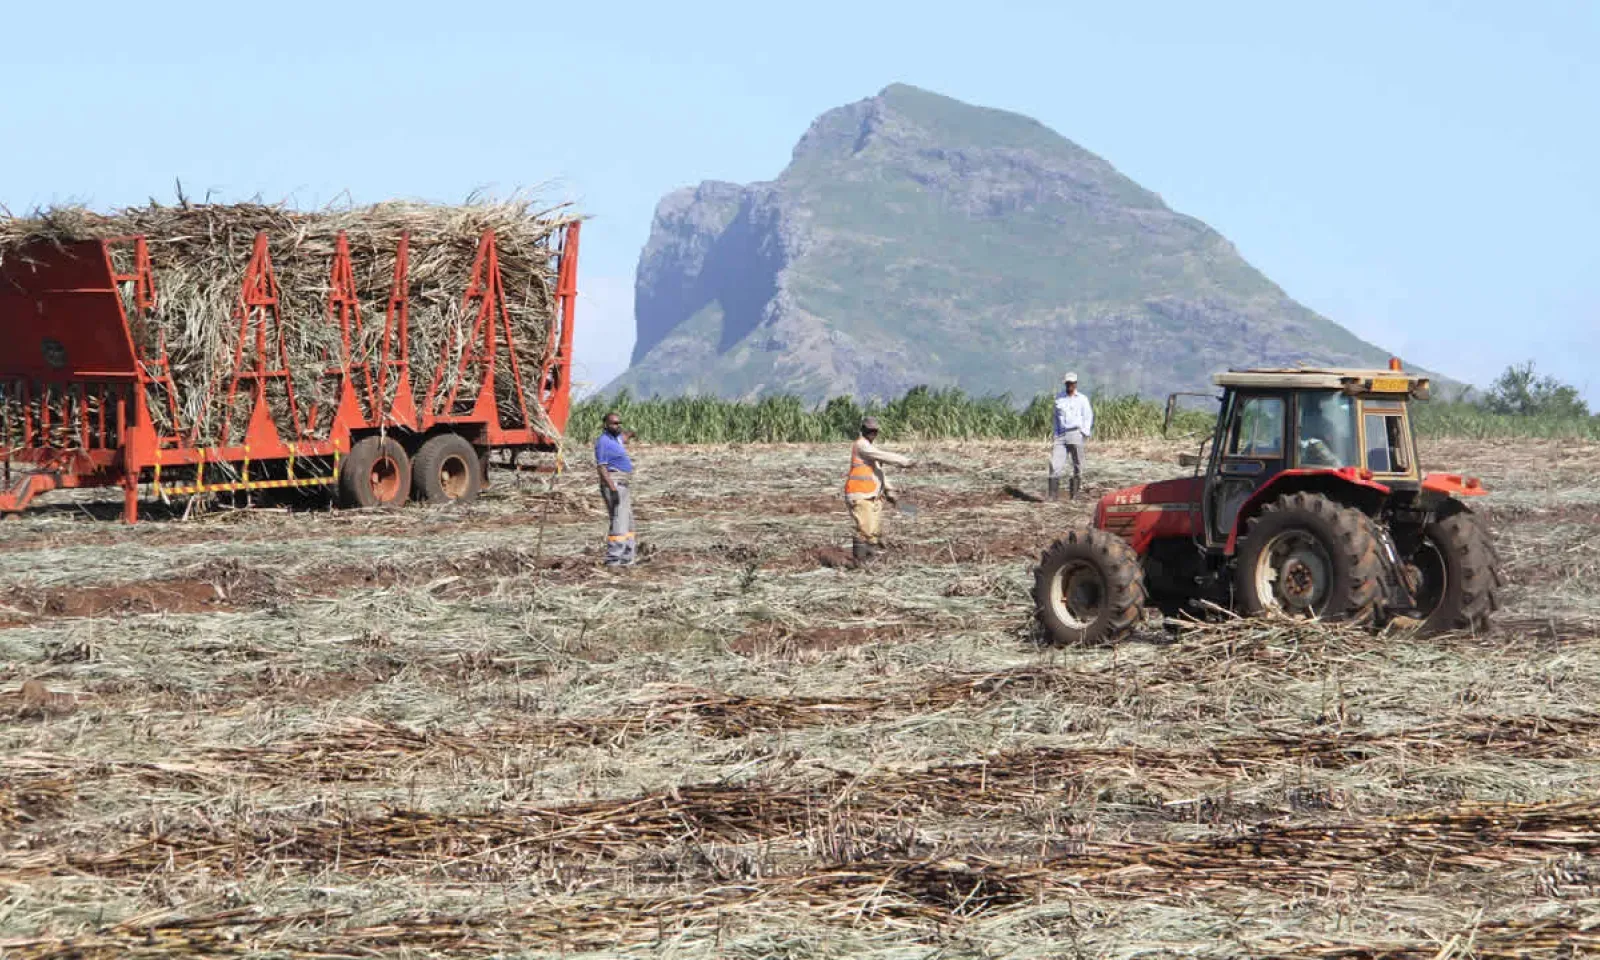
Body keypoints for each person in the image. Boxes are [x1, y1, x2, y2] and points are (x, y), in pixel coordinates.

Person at [844, 416, 913, 563]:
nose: (872, 433)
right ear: (863, 430)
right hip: (860, 495)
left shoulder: (870, 448)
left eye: (874, 431)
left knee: (874, 533)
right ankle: (859, 564)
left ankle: (870, 561)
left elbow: (878, 472)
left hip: (872, 496)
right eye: (869, 430)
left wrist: (889, 490)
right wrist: (905, 462)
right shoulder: (861, 445)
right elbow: (884, 456)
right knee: (866, 531)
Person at [594, 411, 636, 566]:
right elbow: (602, 468)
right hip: (615, 484)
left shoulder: (616, 438)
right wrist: (612, 489)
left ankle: (627, 557)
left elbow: (623, 437)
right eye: (614, 423)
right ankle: (613, 559)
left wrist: (631, 434)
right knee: (619, 520)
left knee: (628, 521)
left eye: (619, 423)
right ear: (606, 424)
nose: (617, 425)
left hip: (624, 484)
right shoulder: (603, 442)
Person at [1049, 372, 1093, 500]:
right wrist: (1056, 434)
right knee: (1054, 464)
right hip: (1061, 435)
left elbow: (1088, 416)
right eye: (1068, 383)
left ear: (1076, 384)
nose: (1070, 385)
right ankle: (1052, 496)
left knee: (1078, 464)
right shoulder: (1059, 398)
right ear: (1065, 383)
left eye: (1072, 383)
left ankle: (1075, 495)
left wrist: (1084, 433)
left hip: (1076, 433)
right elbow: (1055, 418)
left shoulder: (1082, 399)